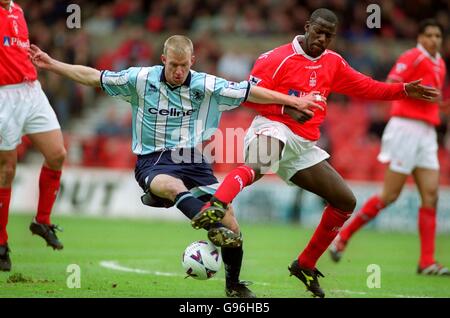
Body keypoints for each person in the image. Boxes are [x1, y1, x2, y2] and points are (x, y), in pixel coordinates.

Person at [29, 35, 323, 297]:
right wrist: (52, 64)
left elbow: (251, 92)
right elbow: (93, 77)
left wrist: (292, 102)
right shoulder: (140, 79)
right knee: (170, 185)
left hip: (193, 160)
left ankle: (233, 286)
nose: (178, 71)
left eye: (183, 65)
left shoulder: (207, 84)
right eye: (173, 65)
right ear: (163, 60)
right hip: (153, 158)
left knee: (231, 223)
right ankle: (202, 217)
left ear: (192, 61)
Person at [190, 8, 440, 298]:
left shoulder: (333, 62)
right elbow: (249, 98)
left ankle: (305, 264)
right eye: (318, 32)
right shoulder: (275, 59)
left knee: (345, 201)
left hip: (303, 145)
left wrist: (404, 90)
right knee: (259, 164)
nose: (322, 39)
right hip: (272, 127)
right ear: (307, 27)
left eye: (329, 36)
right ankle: (215, 206)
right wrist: (286, 109)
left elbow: (366, 87)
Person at [329, 19, 450, 276]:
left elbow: (433, 99)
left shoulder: (440, 62)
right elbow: (393, 80)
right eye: (429, 35)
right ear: (419, 37)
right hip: (406, 128)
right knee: (390, 195)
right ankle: (343, 236)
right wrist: (411, 93)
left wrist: (442, 105)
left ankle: (427, 261)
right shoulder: (412, 57)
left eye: (438, 35)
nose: (434, 40)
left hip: (427, 132)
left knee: (431, 195)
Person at [0, 0, 66, 272]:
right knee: (6, 169)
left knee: (57, 154)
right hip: (4, 96)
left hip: (31, 90)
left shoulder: (18, 11)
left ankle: (42, 220)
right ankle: (1, 244)